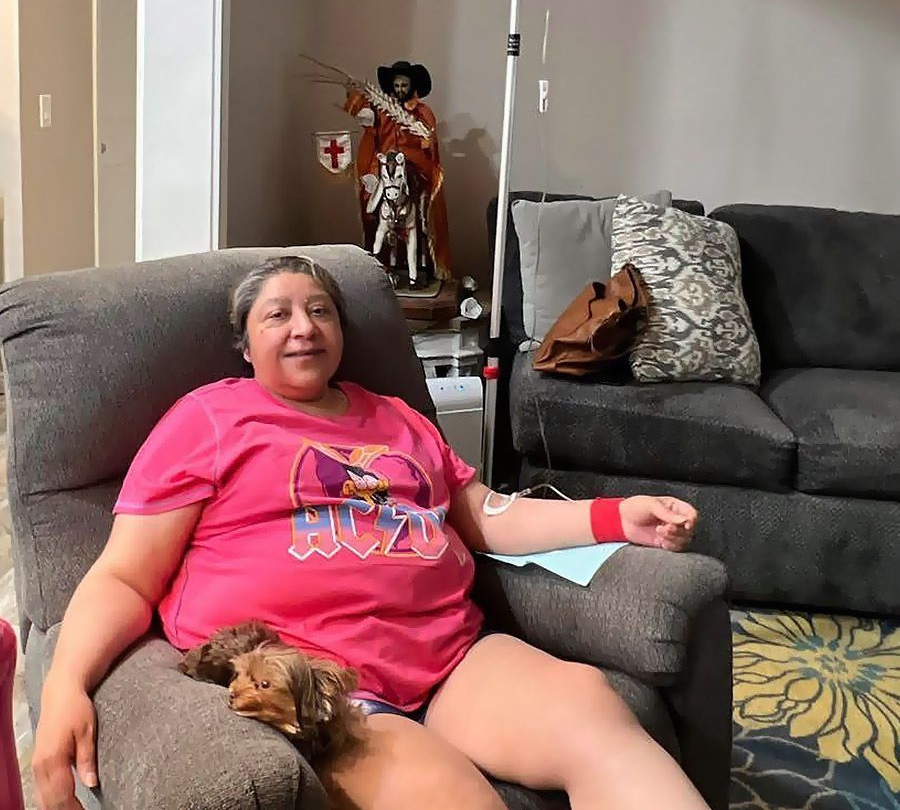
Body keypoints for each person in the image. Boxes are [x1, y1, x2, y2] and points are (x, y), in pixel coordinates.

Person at [32, 255, 709, 810]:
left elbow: (484, 515)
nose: (304, 326)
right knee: (455, 799)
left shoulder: (399, 418)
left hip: (449, 658)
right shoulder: (208, 419)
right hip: (322, 680)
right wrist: (66, 683)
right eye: (279, 314)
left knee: (593, 713)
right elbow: (125, 575)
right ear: (245, 344)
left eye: (320, 310)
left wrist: (617, 517)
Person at [345, 60, 453, 283]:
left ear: (411, 85)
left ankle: (421, 225)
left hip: (414, 165)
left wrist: (426, 141)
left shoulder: (422, 112)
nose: (400, 89)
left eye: (404, 85)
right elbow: (370, 133)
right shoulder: (380, 109)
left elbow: (430, 145)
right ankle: (380, 258)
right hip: (383, 164)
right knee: (371, 197)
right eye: (397, 85)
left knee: (420, 194)